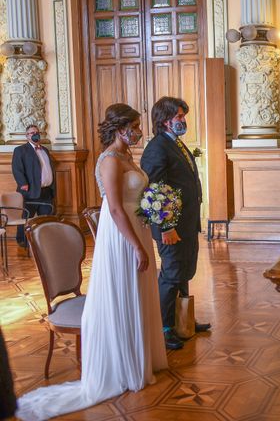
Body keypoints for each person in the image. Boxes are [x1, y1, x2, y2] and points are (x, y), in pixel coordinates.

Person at [16, 104, 167, 420]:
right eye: (135, 126)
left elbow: (137, 198)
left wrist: (158, 211)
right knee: (126, 292)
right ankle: (124, 366)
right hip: (122, 236)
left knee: (140, 293)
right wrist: (138, 247)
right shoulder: (110, 160)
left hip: (136, 226)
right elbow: (114, 209)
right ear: (120, 128)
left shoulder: (128, 158)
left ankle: (141, 357)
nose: (139, 131)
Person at [141, 96, 210, 351]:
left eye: (183, 116)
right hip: (171, 227)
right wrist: (166, 227)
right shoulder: (157, 147)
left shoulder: (175, 143)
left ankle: (185, 320)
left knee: (183, 273)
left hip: (186, 223)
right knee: (171, 276)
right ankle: (165, 328)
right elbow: (155, 191)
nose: (183, 121)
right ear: (165, 120)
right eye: (179, 116)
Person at [11, 125, 55, 248]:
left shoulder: (45, 150)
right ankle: (22, 241)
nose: (35, 134)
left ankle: (44, 242)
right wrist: (23, 184)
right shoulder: (20, 150)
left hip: (46, 191)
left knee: (46, 218)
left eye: (36, 132)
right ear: (27, 136)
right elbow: (17, 169)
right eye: (31, 133)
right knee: (26, 217)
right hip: (29, 191)